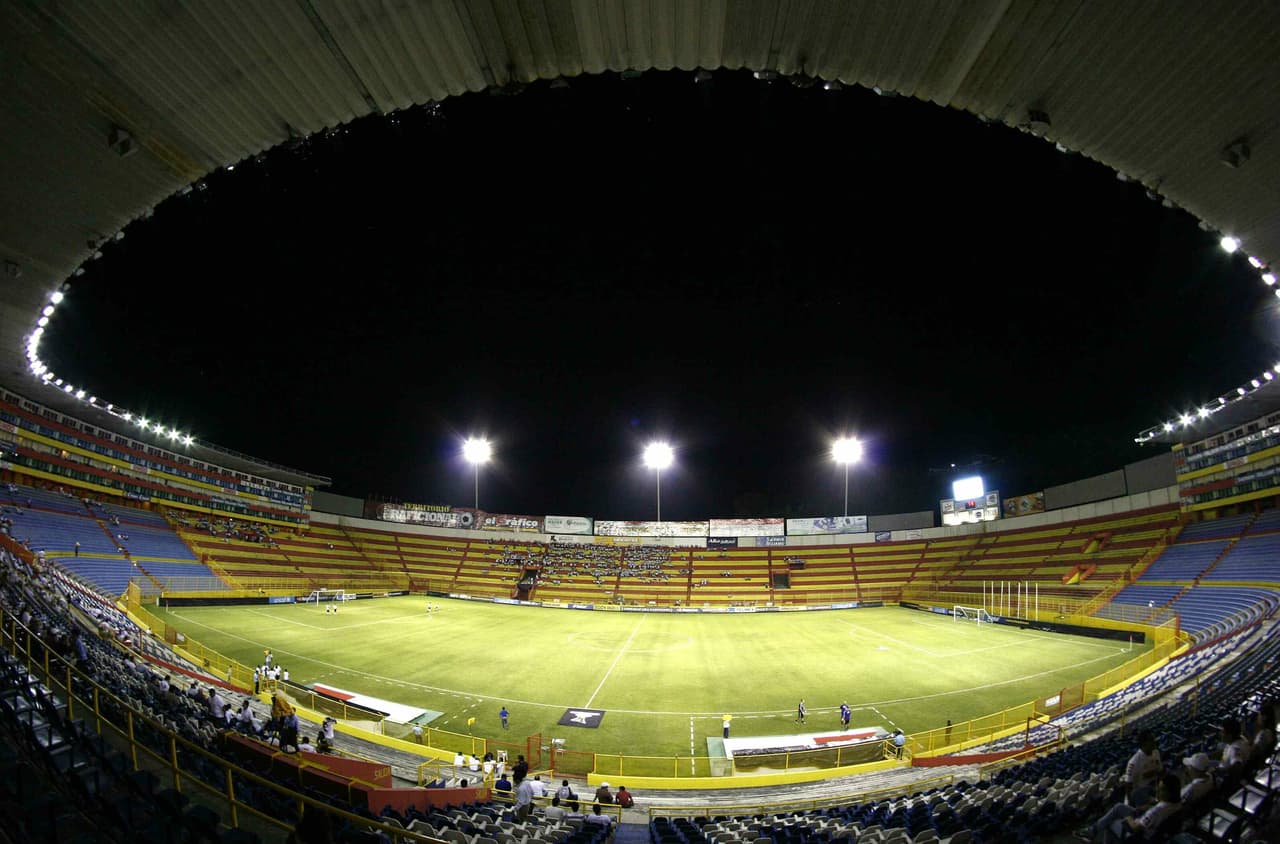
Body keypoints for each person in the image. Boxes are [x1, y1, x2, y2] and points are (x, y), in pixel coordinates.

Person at [1075, 772, 1182, 842]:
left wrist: (1128, 818)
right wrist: (1149, 806)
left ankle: (1092, 832)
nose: (1157, 791)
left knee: (1111, 821)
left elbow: (1135, 828)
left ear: (1170, 792)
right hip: (1149, 825)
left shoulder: (1157, 810)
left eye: (1161, 789)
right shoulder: (1177, 803)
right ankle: (1092, 831)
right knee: (1119, 807)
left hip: (1139, 835)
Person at [1123, 730, 1163, 806]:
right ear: (1144, 743)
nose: (1154, 741)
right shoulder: (1134, 762)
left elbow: (1160, 772)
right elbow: (1128, 786)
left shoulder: (1156, 753)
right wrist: (1132, 805)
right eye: (1151, 740)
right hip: (1139, 797)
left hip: (1152, 791)